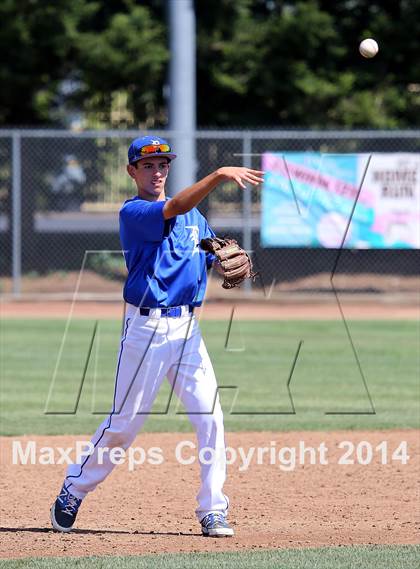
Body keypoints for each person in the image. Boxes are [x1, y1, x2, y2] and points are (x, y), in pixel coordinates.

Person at [50, 135, 264, 537]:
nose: (157, 171)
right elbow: (175, 206)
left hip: (187, 330)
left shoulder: (194, 218)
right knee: (125, 424)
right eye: (147, 165)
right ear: (132, 171)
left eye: (163, 164)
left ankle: (212, 509)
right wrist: (219, 174)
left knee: (211, 418)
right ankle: (73, 488)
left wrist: (219, 260)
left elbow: (206, 247)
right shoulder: (135, 211)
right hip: (145, 328)